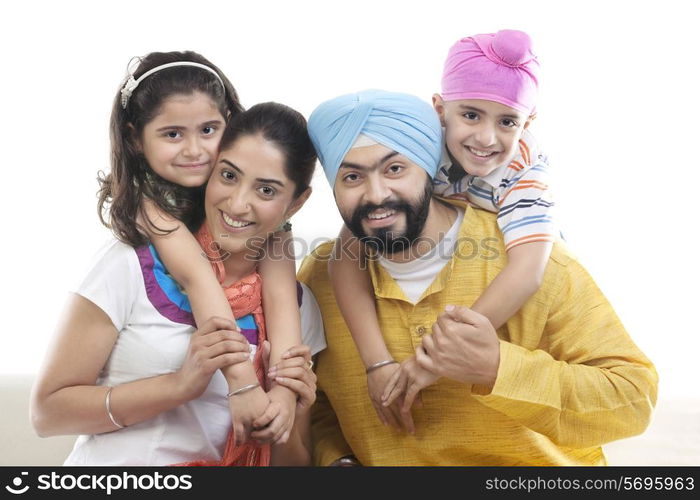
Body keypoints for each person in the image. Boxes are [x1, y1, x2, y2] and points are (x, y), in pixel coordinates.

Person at [301, 89, 658, 465]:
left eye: (395, 169)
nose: (376, 195)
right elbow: (317, 403)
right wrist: (337, 459)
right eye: (352, 177)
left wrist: (497, 368)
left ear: (427, 166)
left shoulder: (534, 261)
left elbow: (633, 401)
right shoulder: (319, 277)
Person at [30, 101, 324, 466]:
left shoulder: (298, 312)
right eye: (228, 176)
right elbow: (47, 413)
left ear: (296, 203)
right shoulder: (130, 265)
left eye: (266, 191)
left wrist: (291, 412)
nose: (237, 204)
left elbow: (290, 469)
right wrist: (180, 385)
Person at [326, 30, 558, 427]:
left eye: (507, 121)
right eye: (470, 115)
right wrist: (377, 362)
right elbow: (344, 257)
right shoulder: (418, 150)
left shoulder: (524, 171)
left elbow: (528, 271)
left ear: (528, 122)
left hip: (504, 275)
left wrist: (432, 359)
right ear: (439, 109)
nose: (486, 138)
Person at [98, 51, 305, 441]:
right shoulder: (150, 205)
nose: (194, 150)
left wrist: (284, 390)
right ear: (135, 139)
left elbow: (282, 298)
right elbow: (198, 280)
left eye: (208, 130)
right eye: (173, 134)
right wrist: (242, 384)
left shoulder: (254, 196)